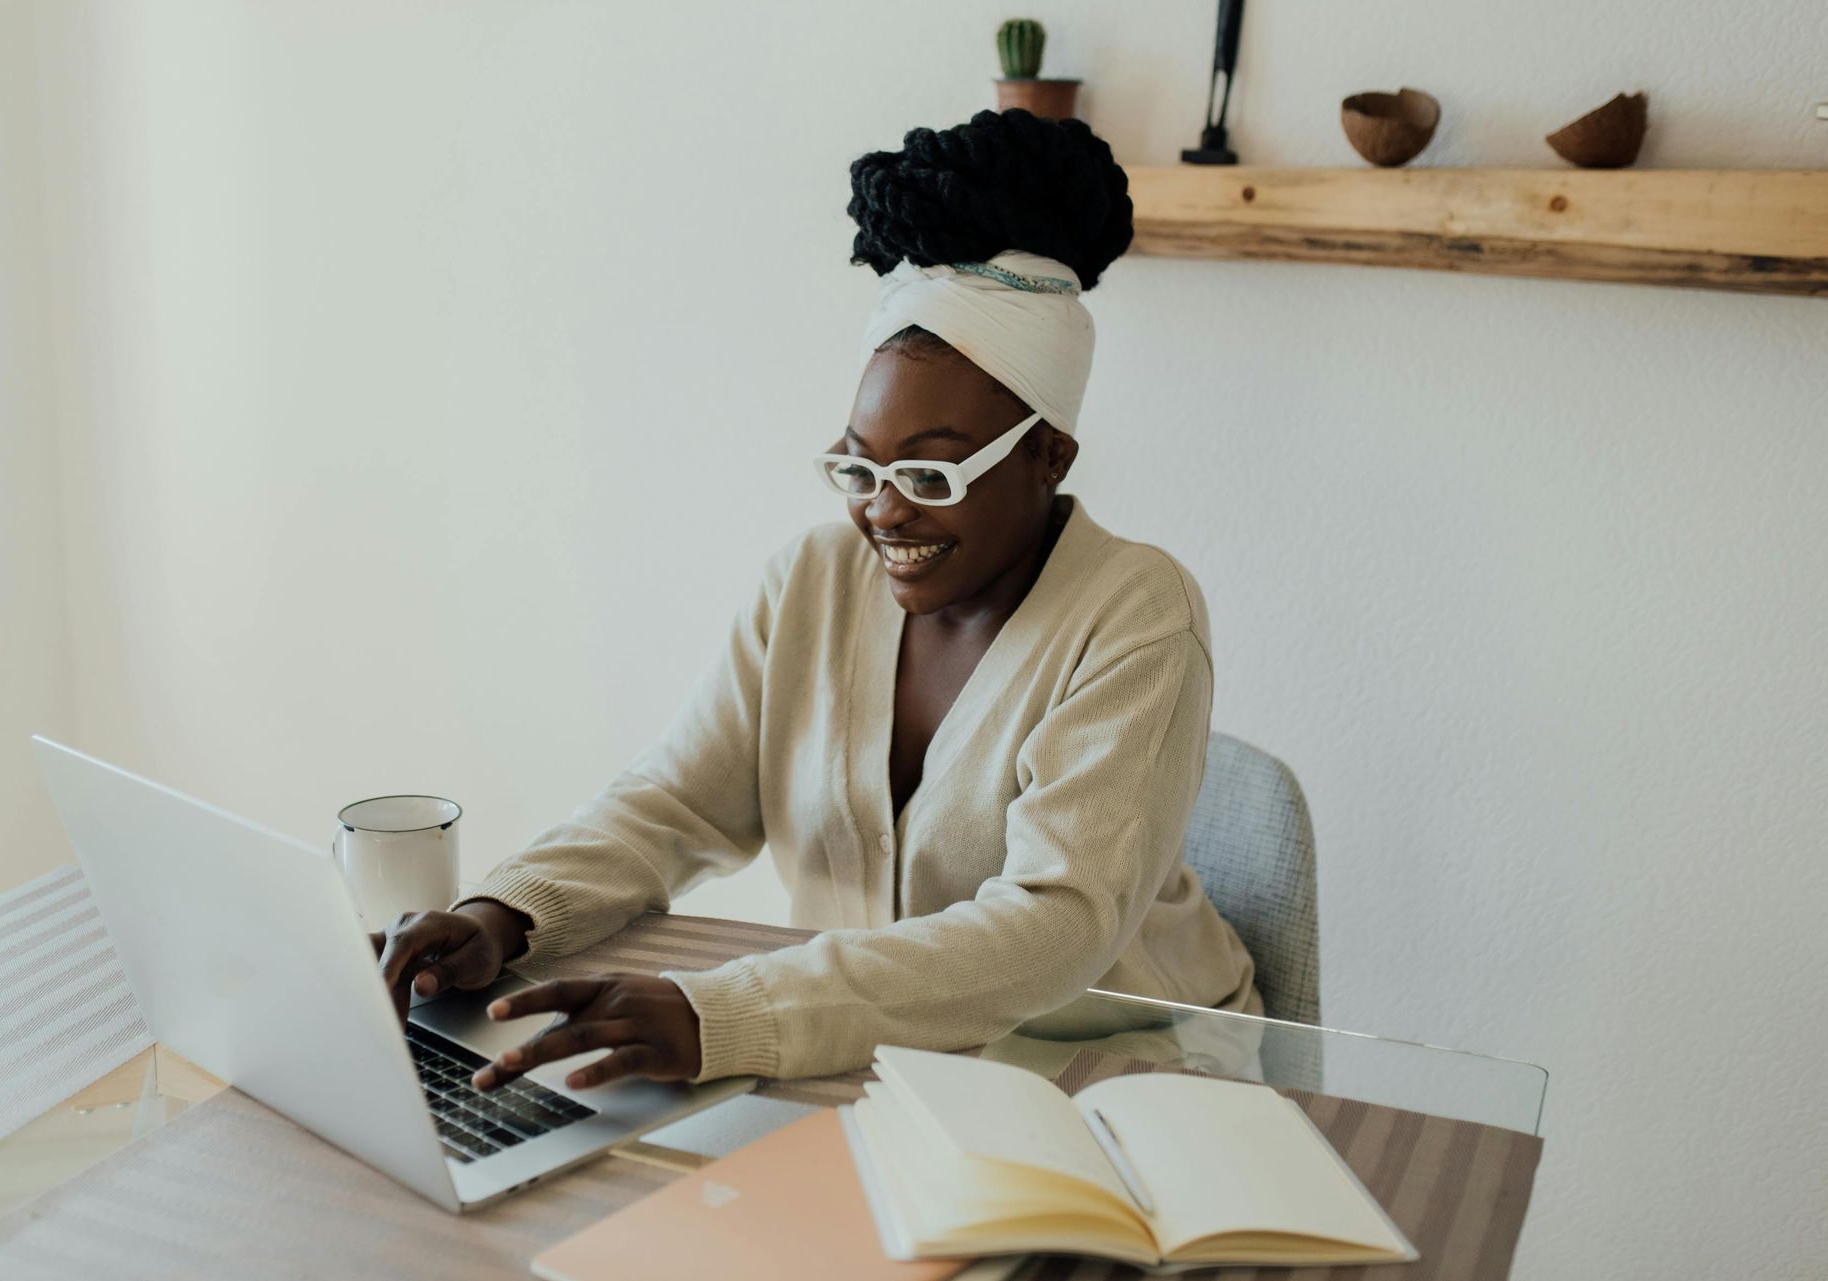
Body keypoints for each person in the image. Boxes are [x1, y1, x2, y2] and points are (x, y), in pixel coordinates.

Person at [374, 108, 1261, 1093]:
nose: (882, 511)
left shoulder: (1138, 612)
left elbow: (1055, 926)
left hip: (1124, 1074)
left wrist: (733, 1013)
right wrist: (506, 913)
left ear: (1049, 456)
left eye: (933, 475)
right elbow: (672, 802)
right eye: (858, 465)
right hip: (879, 1063)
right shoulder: (814, 582)